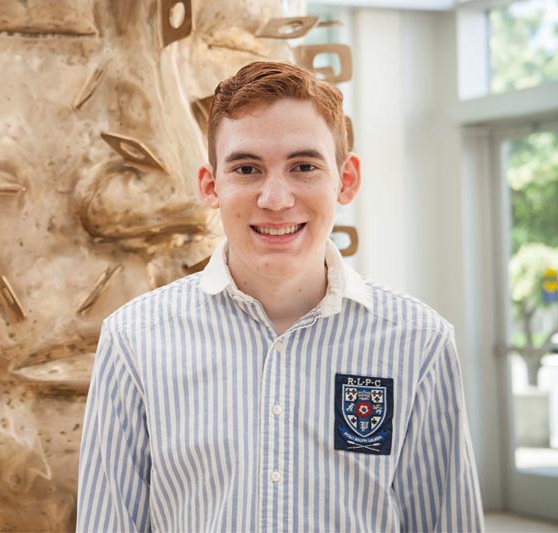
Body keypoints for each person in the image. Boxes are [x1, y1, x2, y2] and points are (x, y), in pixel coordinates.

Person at [76, 61, 484, 532]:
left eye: (303, 166)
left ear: (346, 180)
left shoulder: (420, 342)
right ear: (212, 186)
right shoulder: (133, 342)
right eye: (247, 168)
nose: (275, 198)